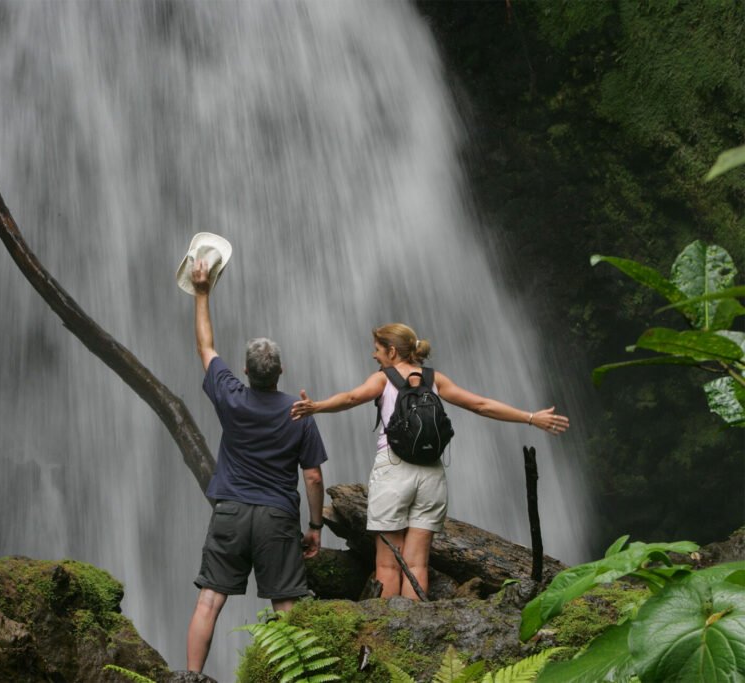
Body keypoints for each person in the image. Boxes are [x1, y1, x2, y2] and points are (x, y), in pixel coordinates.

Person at [290, 323, 568, 600]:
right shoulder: (434, 379)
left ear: (391, 350)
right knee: (416, 564)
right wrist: (531, 417)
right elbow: (480, 405)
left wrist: (317, 407)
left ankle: (390, 635)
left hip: (393, 471)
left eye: (377, 350)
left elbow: (351, 398)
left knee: (388, 563)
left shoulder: (384, 379)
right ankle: (415, 631)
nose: (374, 356)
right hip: (431, 474)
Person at [186, 259, 328, 674]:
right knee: (285, 604)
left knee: (210, 599)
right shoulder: (300, 412)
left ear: (245, 371)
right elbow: (314, 476)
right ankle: (300, 677)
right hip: (277, 517)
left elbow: (205, 347)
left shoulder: (231, 396)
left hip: (230, 511)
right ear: (281, 372)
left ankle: (189, 678)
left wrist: (201, 292)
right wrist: (315, 526)